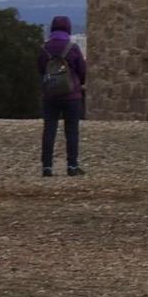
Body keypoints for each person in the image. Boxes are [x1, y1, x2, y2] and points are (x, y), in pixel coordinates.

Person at [37, 14, 87, 177]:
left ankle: (47, 167)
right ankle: (72, 166)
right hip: (71, 96)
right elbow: (82, 70)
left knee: (49, 130)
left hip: (50, 95)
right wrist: (78, 83)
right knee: (71, 131)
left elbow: (40, 69)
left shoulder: (45, 48)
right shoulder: (72, 48)